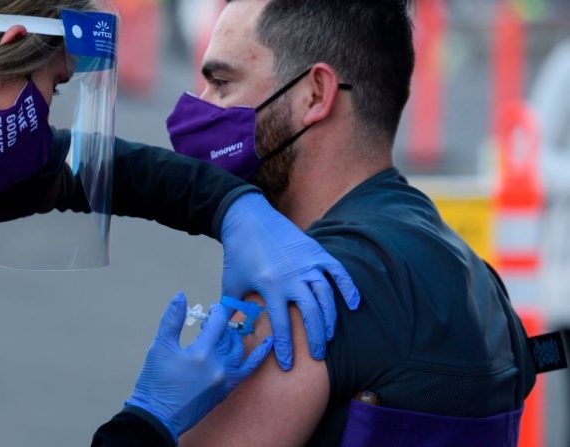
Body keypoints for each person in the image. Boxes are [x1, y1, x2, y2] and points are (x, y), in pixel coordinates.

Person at [0, 0, 363, 446]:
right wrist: (150, 418)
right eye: (55, 86)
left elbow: (71, 166)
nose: (52, 114)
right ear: (8, 61)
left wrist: (230, 207)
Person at [164, 0, 537, 445]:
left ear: (316, 94)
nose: (200, 108)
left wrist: (143, 418)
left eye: (222, 83)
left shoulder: (304, 289)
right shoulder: (477, 277)